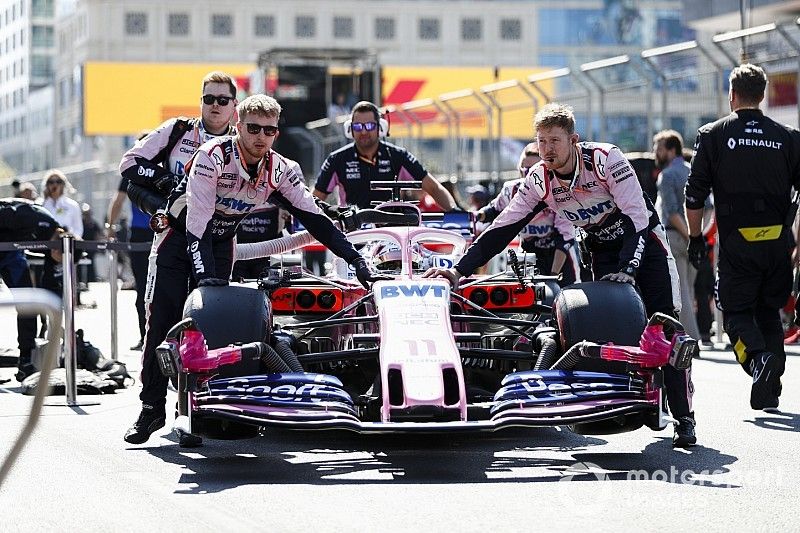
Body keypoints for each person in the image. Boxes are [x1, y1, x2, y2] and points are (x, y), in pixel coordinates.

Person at [424, 103, 696, 448]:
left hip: (644, 241)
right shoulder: (539, 178)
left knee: (664, 325)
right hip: (602, 248)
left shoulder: (605, 159)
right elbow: (500, 228)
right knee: (611, 327)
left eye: (554, 140)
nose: (547, 149)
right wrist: (457, 270)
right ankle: (621, 403)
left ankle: (684, 416)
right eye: (542, 141)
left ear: (573, 140)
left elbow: (637, 219)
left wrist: (629, 269)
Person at [123, 94, 386, 447]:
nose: (260, 137)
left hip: (220, 243)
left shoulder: (280, 169)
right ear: (237, 127)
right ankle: (151, 407)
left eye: (269, 130)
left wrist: (356, 260)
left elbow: (315, 220)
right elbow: (196, 228)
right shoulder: (210, 158)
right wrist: (204, 282)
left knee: (210, 330)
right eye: (253, 128)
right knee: (163, 324)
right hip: (180, 240)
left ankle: (194, 411)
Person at [685, 63, 800, 412]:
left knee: (736, 315)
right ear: (762, 96)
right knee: (768, 310)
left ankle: (758, 362)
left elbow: (695, 195)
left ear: (732, 95)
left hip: (737, 244)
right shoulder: (790, 137)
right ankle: (770, 388)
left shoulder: (713, 134)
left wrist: (695, 239)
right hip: (779, 243)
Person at [119, 71, 239, 215]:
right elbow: (128, 162)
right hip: (175, 223)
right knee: (133, 186)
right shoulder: (178, 128)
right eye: (209, 99)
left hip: (219, 225)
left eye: (223, 100)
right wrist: (168, 180)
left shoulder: (240, 141)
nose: (215, 104)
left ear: (234, 104)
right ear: (201, 102)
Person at [313, 101, 457, 210]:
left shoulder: (398, 156)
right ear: (350, 130)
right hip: (352, 236)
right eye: (358, 127)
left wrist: (455, 212)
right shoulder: (337, 159)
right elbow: (316, 199)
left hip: (391, 236)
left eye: (369, 126)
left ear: (380, 128)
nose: (363, 132)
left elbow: (434, 188)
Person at [475, 143, 580, 286]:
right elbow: (492, 211)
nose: (528, 174)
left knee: (564, 297)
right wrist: (474, 216)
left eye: (532, 169)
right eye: (525, 169)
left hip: (558, 257)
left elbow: (565, 239)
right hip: (528, 254)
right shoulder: (511, 190)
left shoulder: (559, 191)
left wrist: (553, 276)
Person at [0, 199, 63, 381]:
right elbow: (11, 214)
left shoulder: (51, 237)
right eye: (61, 256)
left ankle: (25, 360)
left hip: (11, 256)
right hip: (9, 250)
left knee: (28, 306)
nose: (59, 260)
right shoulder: (45, 222)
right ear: (59, 247)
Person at [653, 130, 701, 342]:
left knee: (680, 291)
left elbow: (671, 213)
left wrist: (689, 235)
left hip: (675, 236)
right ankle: (692, 335)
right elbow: (708, 207)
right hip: (697, 235)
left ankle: (690, 339)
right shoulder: (693, 170)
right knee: (689, 289)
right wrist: (698, 235)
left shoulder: (668, 175)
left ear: (671, 150)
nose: (656, 153)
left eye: (659, 148)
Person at [40, 170, 83, 237]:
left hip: (67, 243)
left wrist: (72, 239)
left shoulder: (72, 205)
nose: (55, 185)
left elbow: (78, 229)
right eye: (51, 182)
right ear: (47, 185)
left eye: (58, 182)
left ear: (63, 184)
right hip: (47, 243)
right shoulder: (41, 205)